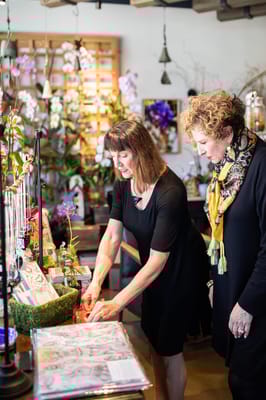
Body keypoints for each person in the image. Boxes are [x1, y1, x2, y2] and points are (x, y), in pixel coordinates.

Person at [82, 119, 208, 400]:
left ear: (142, 151)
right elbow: (112, 237)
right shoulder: (124, 183)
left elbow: (157, 262)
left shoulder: (170, 192)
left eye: (123, 155)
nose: (118, 164)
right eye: (114, 157)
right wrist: (95, 283)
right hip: (152, 269)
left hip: (180, 272)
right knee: (152, 336)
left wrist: (116, 301)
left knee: (169, 348)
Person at [181, 89, 266, 400]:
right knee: (238, 381)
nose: (200, 151)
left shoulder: (261, 167)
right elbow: (223, 235)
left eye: (204, 142)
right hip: (233, 289)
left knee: (249, 385)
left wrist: (247, 305)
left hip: (256, 303)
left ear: (227, 132)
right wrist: (213, 280)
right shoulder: (228, 166)